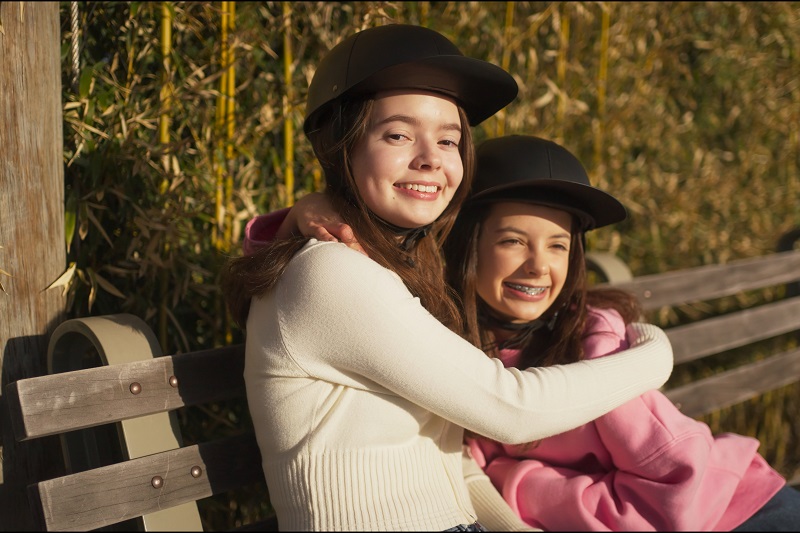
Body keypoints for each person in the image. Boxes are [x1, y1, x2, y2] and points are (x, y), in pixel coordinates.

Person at [222, 24, 674, 532]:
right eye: (397, 134)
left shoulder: (391, 266)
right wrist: (655, 353)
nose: (431, 158)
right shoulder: (330, 272)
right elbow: (511, 408)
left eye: (448, 139)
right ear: (341, 145)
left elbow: (446, 453)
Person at [443, 135, 800, 532]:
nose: (538, 265)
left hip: (731, 509)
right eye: (513, 241)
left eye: (558, 246)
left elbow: (672, 491)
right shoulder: (453, 349)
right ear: (468, 244)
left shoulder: (601, 347)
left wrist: (521, 486)